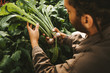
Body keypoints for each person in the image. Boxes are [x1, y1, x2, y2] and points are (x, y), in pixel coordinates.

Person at [27, 0, 110, 73]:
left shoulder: (84, 64)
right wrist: (65, 39)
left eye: (69, 11)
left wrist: (35, 44)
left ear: (86, 20)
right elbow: (93, 43)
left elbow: (46, 71)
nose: (67, 12)